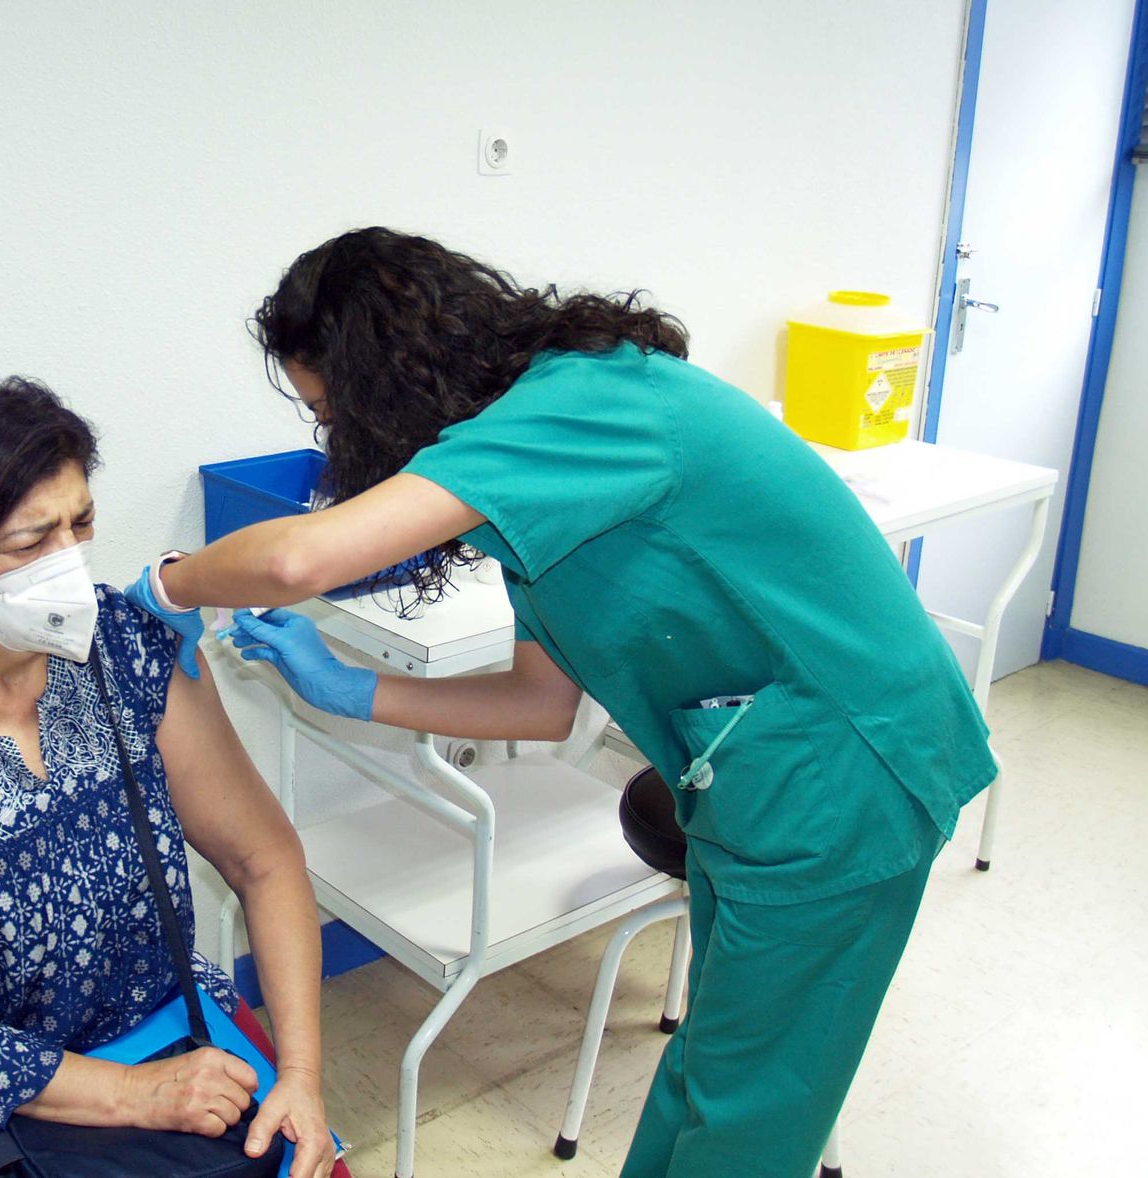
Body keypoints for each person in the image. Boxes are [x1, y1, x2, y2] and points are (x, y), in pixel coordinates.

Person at [126, 228, 998, 1178]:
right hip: (757, 773)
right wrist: (348, 689)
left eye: (333, 408)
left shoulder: (587, 403)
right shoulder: (524, 463)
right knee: (712, 1070)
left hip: (846, 771)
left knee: (752, 1116)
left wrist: (174, 582)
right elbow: (544, 703)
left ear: (386, 371)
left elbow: (299, 557)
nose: (337, 439)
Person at [0, 377, 338, 1178]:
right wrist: (132, 1095)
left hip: (161, 1029)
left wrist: (301, 1078)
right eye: (29, 542)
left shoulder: (123, 648)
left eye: (80, 525)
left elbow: (265, 859)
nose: (69, 567)